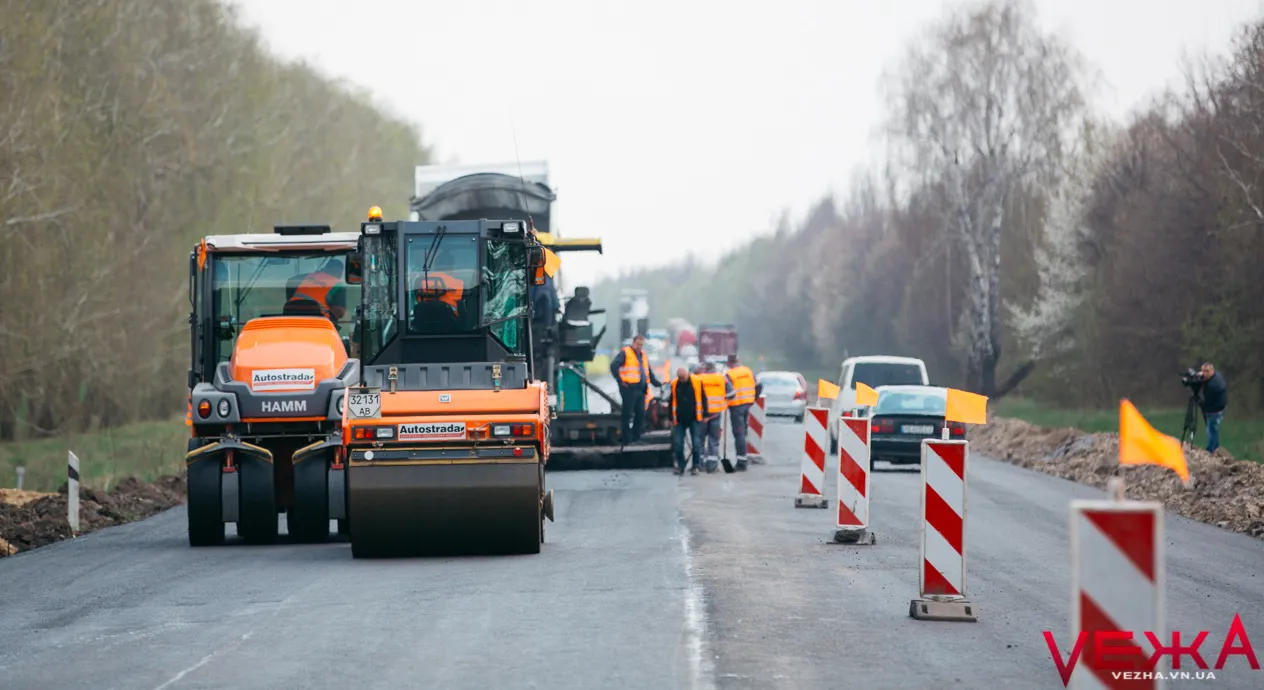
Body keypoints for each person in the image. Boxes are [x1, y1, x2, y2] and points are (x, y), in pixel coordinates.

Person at [611, 334, 662, 443]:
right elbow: (614, 366)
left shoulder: (643, 355)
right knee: (627, 414)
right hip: (629, 388)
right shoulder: (625, 352)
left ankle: (636, 437)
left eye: (641, 345)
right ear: (633, 343)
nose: (639, 347)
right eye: (638, 344)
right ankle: (627, 439)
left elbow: (649, 373)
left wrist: (659, 384)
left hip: (641, 389)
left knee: (640, 414)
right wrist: (620, 381)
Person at [724, 354, 762, 471]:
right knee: (743, 432)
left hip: (736, 406)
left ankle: (741, 462)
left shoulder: (729, 375)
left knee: (738, 433)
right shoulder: (748, 371)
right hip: (746, 404)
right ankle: (743, 457)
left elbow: (728, 392)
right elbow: (759, 386)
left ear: (730, 363)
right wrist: (753, 399)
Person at [669, 366, 708, 475]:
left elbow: (704, 399)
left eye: (683, 378)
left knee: (696, 443)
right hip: (679, 419)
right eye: (680, 378)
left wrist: (706, 415)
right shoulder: (674, 384)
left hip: (695, 418)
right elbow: (671, 401)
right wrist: (671, 418)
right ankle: (681, 466)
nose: (681, 380)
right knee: (678, 443)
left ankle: (696, 465)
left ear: (688, 375)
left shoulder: (697, 382)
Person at [695, 362, 730, 473]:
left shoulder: (698, 378)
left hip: (701, 413)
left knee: (700, 440)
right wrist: (724, 399)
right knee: (713, 440)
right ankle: (712, 466)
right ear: (714, 368)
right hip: (716, 413)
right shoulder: (721, 378)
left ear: (704, 368)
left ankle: (700, 465)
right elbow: (731, 394)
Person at [1199, 362, 1228, 453]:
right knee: (1213, 428)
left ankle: (1211, 450)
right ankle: (1216, 449)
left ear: (1212, 371)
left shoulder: (1213, 385)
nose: (1204, 374)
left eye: (1207, 371)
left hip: (1215, 410)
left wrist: (1199, 402)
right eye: (1203, 371)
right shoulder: (1216, 376)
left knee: (1211, 429)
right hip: (1218, 407)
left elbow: (1207, 402)